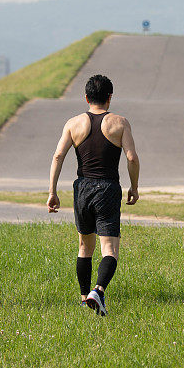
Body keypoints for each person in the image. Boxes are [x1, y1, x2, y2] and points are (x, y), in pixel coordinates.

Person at [47, 74, 140, 316]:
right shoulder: (120, 123)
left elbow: (58, 156)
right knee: (109, 248)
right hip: (108, 188)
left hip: (82, 189)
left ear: (86, 97)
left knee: (84, 246)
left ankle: (83, 297)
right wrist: (134, 186)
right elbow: (131, 157)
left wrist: (52, 191)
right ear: (110, 97)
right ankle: (98, 291)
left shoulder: (73, 123)